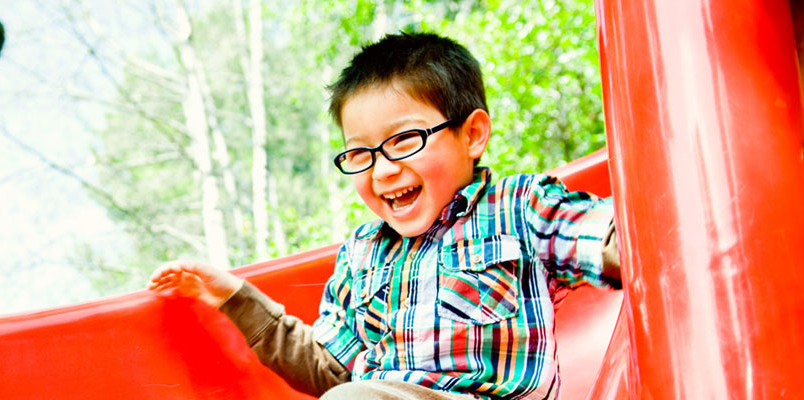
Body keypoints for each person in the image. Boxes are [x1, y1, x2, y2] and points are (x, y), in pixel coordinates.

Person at [147, 32, 621, 400]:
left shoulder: (519, 208)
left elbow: (613, 239)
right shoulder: (363, 255)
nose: (384, 169)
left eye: (404, 140)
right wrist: (234, 296)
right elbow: (330, 368)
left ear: (472, 134)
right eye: (361, 153)